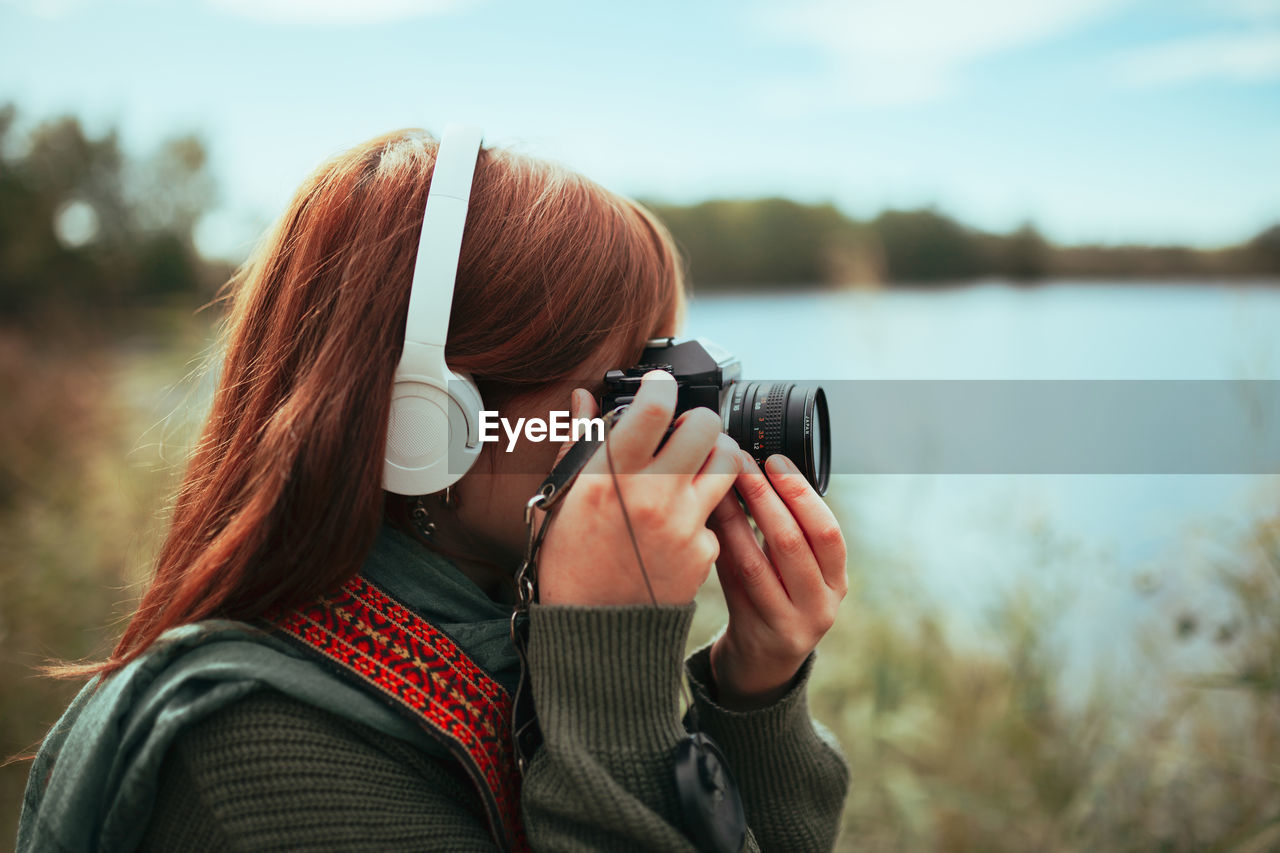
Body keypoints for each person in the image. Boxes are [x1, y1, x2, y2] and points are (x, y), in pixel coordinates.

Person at [16, 127, 850, 851]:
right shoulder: (255, 750)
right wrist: (609, 673)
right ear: (429, 420)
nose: (670, 429)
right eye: (630, 387)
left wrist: (755, 691)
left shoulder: (497, 650)